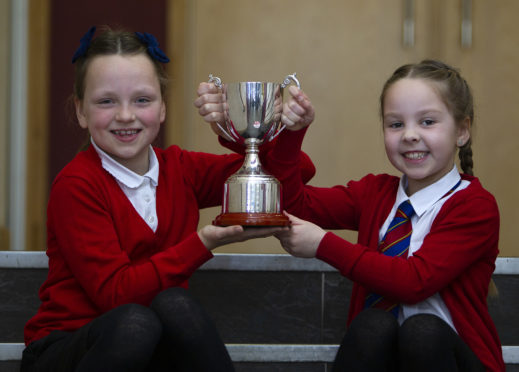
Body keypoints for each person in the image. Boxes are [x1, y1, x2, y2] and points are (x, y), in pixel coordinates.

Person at [21, 26, 313, 372]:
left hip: (151, 347)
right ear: (81, 111)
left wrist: (242, 134)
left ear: (162, 108)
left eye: (142, 100)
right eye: (106, 101)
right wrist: (202, 242)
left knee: (173, 303)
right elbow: (117, 296)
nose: (126, 115)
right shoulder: (76, 184)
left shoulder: (180, 169)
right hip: (70, 349)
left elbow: (292, 172)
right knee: (135, 321)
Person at [270, 60, 505, 371]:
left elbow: (413, 282)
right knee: (373, 324)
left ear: (462, 131)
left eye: (427, 122)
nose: (409, 135)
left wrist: (324, 245)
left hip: (449, 360)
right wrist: (291, 136)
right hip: (382, 357)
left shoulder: (475, 206)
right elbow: (295, 204)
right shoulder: (375, 193)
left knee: (423, 330)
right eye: (396, 124)